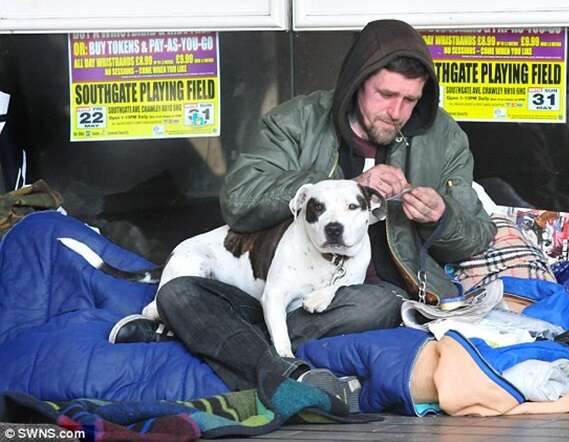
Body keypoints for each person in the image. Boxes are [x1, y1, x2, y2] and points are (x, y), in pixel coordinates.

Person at [110, 19, 496, 409]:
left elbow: (477, 236)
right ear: (356, 82)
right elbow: (239, 202)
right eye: (385, 94)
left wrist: (440, 216)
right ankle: (284, 369)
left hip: (356, 303)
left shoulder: (442, 136)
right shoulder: (295, 121)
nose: (396, 111)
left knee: (380, 303)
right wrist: (340, 185)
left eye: (410, 100)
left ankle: (240, 351)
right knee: (179, 291)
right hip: (272, 293)